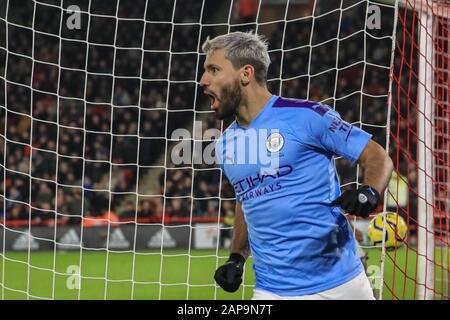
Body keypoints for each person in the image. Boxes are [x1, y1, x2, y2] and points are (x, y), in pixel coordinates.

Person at [199, 31, 394, 300]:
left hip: (342, 284)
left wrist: (369, 192)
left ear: (245, 74)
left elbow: (377, 156)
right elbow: (247, 199)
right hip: (272, 291)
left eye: (213, 69)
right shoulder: (224, 145)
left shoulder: (308, 116)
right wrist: (236, 256)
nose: (203, 80)